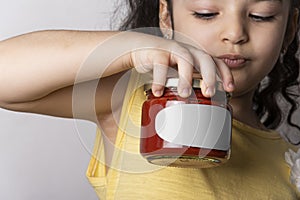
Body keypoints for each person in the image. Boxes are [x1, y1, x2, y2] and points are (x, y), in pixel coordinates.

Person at [0, 0, 299, 199]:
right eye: (206, 13)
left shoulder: (290, 165)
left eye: (262, 15)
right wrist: (127, 47)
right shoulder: (137, 97)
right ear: (166, 17)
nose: (234, 33)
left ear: (290, 29)